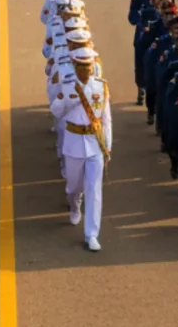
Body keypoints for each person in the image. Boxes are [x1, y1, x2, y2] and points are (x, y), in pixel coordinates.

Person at [50, 48, 112, 252]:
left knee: (94, 189)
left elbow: (106, 119)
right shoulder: (68, 86)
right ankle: (74, 204)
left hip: (95, 143)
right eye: (82, 67)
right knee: (73, 186)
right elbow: (55, 111)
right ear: (75, 66)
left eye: (89, 66)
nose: (86, 71)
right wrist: (68, 101)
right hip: (74, 142)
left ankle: (91, 234)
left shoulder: (101, 86)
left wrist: (107, 146)